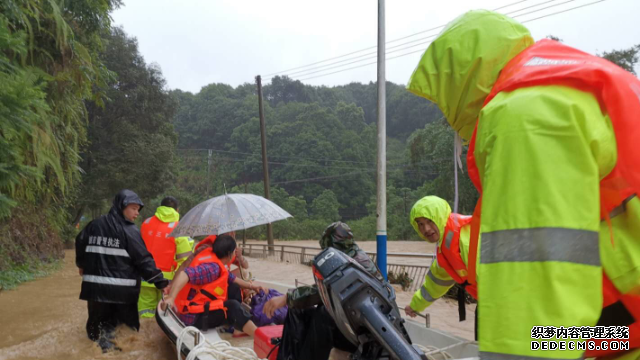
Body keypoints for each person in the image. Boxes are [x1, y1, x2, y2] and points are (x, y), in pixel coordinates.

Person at [406, 10, 640, 360]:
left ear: (462, 84)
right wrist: (414, 306)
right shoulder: (563, 87)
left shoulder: (522, 116)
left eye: (443, 103)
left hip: (619, 335)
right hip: (614, 332)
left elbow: (536, 300)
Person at [263, 222, 385, 360]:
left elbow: (326, 290)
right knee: (298, 309)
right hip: (350, 326)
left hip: (363, 337)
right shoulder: (348, 255)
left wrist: (287, 297)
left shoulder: (356, 262)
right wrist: (292, 299)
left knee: (324, 314)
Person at [75, 189, 169, 352]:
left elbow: (80, 241)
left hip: (95, 291)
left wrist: (82, 265)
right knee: (125, 333)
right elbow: (143, 260)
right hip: (122, 294)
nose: (136, 213)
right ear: (122, 206)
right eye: (133, 208)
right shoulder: (129, 231)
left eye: (138, 209)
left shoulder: (94, 225)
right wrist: (161, 282)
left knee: (96, 332)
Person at [161, 235, 266, 337]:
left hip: (201, 310)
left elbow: (233, 279)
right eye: (234, 251)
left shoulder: (218, 264)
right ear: (229, 254)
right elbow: (184, 274)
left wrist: (252, 287)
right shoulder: (212, 269)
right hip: (194, 318)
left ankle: (239, 326)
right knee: (232, 306)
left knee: (234, 287)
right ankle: (260, 336)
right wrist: (171, 298)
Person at [403, 196, 475, 327]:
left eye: (430, 221)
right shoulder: (446, 247)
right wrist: (414, 306)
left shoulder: (465, 238)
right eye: (420, 224)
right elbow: (436, 284)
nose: (426, 229)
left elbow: (493, 277)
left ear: (440, 217)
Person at [137, 196, 193, 318]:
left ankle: (142, 335)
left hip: (143, 276)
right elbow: (186, 260)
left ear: (160, 207)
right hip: (166, 281)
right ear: (177, 210)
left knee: (144, 311)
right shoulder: (179, 229)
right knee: (164, 312)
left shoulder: (146, 223)